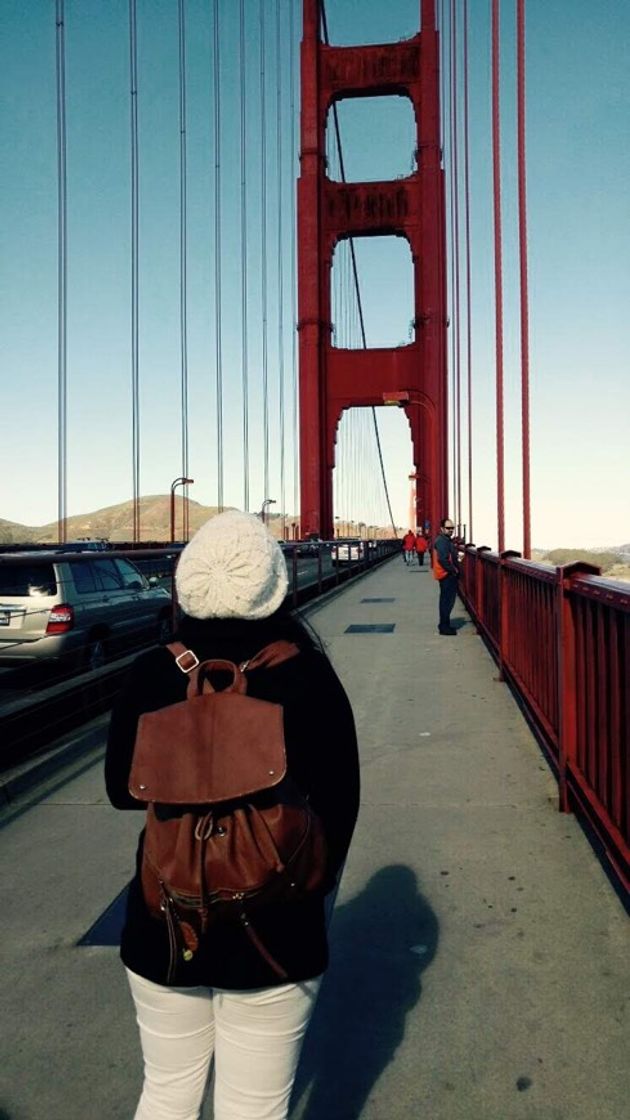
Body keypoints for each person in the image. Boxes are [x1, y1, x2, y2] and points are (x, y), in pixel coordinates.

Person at [105, 510, 360, 1120]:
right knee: (252, 1109)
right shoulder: (308, 674)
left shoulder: (150, 671)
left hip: (164, 923)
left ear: (186, 587)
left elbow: (121, 791)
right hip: (276, 931)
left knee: (166, 1093)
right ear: (276, 587)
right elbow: (340, 809)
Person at [433, 517, 460, 635]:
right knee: (446, 601)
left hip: (446, 574)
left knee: (447, 601)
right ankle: (444, 627)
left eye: (452, 528)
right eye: (448, 528)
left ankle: (445, 625)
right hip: (446, 575)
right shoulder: (442, 541)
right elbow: (443, 559)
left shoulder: (446, 540)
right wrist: (453, 569)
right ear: (442, 529)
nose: (451, 530)